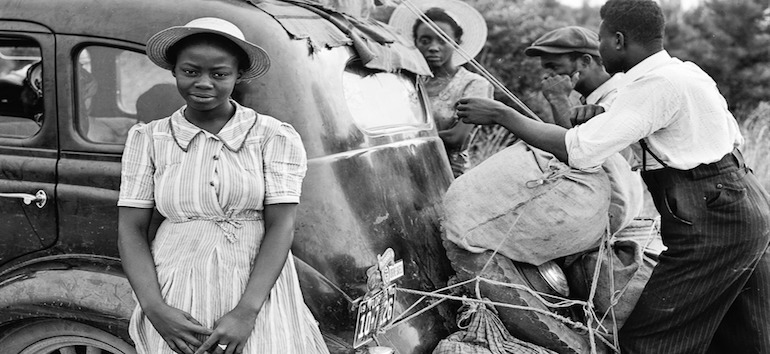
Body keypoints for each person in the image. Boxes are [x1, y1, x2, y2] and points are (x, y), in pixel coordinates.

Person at [455, 0, 770, 352]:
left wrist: (503, 114)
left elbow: (579, 150)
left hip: (712, 218)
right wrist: (602, 114)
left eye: (602, 40)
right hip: (742, 201)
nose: (599, 47)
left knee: (649, 341)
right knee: (745, 335)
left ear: (618, 40)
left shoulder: (653, 85)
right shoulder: (683, 72)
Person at [117, 17, 329, 354]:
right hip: (175, 284)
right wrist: (155, 308)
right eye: (190, 71)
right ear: (173, 70)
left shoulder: (271, 135)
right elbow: (130, 229)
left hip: (255, 285)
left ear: (238, 75)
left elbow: (282, 225)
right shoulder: (149, 138)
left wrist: (246, 312)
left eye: (219, 74)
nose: (203, 83)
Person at [524, 25, 646, 234]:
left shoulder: (618, 98)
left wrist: (558, 99)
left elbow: (578, 154)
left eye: (554, 66)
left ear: (585, 62)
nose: (548, 75)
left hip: (614, 211)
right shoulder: (591, 100)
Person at [389, 0, 493, 177]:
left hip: (448, 173)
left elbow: (457, 138)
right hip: (404, 170)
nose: (433, 48)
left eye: (443, 40)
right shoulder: (405, 81)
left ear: (457, 42)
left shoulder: (474, 84)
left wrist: (400, 138)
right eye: (425, 40)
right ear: (415, 43)